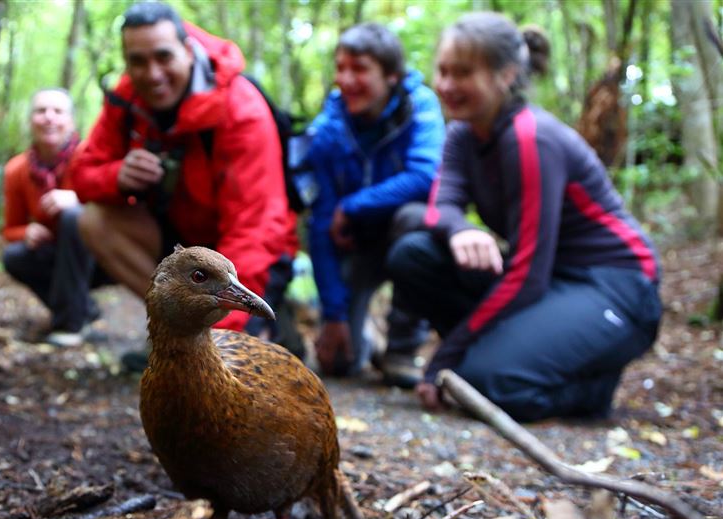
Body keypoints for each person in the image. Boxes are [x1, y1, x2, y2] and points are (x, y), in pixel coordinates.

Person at [387, 13, 661, 421]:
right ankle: (493, 354)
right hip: (551, 283)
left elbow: (527, 276)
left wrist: (444, 359)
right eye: (442, 71)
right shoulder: (463, 132)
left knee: (486, 385)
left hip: (618, 289)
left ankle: (590, 391)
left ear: (505, 75)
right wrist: (460, 229)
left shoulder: (530, 139)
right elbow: (438, 207)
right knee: (413, 254)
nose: (445, 85)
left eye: (462, 73)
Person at [71, 1, 299, 370]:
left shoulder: (240, 109)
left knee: (247, 360)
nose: (153, 73)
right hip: (180, 242)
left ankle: (258, 326)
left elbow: (256, 231)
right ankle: (174, 338)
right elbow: (80, 174)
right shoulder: (128, 95)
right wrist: (116, 176)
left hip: (251, 256)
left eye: (163, 57)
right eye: (138, 61)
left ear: (188, 51)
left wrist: (230, 334)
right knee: (92, 219)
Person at [304, 23, 445, 386]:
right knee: (339, 365)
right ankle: (358, 331)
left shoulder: (420, 108)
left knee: (416, 218)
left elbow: (425, 177)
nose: (345, 79)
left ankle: (402, 345)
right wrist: (333, 315)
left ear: (391, 74)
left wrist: (352, 206)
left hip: (403, 238)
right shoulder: (328, 129)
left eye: (359, 68)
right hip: (357, 248)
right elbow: (321, 222)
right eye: (340, 67)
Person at [1, 88, 99, 347]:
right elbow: (10, 230)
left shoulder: (90, 155)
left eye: (58, 111)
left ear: (71, 121)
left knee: (71, 216)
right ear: (31, 120)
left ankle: (69, 323)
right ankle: (83, 309)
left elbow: (122, 206)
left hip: (99, 256)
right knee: (13, 257)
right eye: (41, 111)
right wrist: (26, 232)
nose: (49, 117)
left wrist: (78, 200)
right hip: (54, 254)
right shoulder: (16, 170)